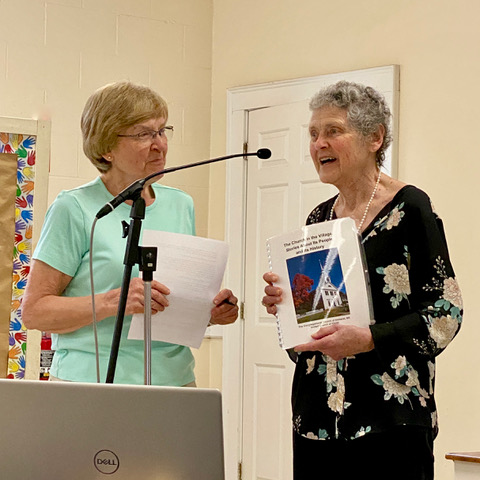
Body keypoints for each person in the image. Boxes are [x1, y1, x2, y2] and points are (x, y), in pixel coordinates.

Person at [262, 81, 462, 480]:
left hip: (391, 421)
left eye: (333, 131)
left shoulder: (410, 208)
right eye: (313, 134)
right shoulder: (318, 219)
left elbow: (445, 314)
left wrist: (370, 339)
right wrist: (288, 308)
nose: (319, 143)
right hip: (317, 420)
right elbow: (314, 327)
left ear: (375, 138)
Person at [23, 81, 238, 386]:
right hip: (90, 383)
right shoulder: (75, 208)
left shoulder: (181, 204)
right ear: (106, 148)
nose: (159, 144)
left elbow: (169, 305)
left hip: (174, 382)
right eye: (143, 134)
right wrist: (114, 301)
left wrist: (208, 312)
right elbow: (34, 312)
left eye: (162, 131)